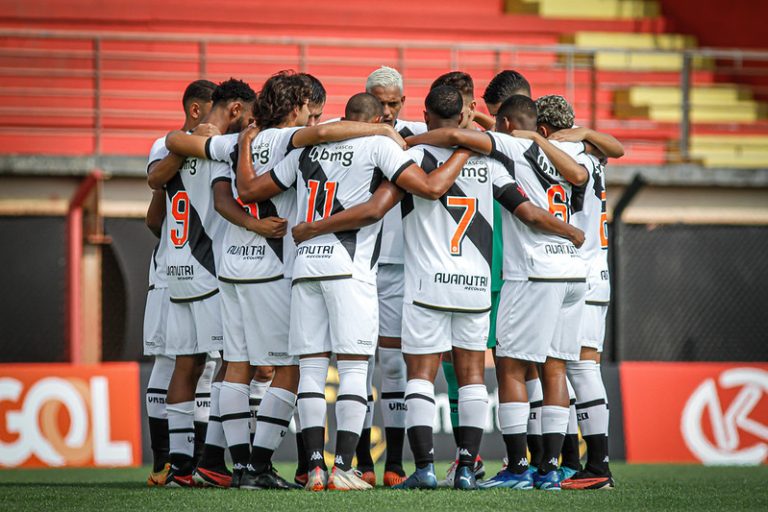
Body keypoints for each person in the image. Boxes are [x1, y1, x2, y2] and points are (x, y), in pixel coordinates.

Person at [292, 86, 584, 491]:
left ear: (426, 115)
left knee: (421, 377)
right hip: (475, 285)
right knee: (472, 379)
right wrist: (569, 230)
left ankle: (425, 467)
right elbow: (526, 209)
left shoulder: (413, 156)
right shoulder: (490, 161)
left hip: (427, 284)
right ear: (461, 117)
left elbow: (384, 201)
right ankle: (466, 467)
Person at [165, 71, 406, 489]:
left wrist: (235, 142)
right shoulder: (289, 140)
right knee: (292, 369)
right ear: (297, 108)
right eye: (312, 112)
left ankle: (233, 465)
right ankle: (259, 465)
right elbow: (327, 135)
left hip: (231, 266)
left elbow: (179, 146)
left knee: (236, 366)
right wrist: (381, 130)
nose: (316, 122)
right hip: (275, 266)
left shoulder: (238, 140)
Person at [236, 92, 472, 491]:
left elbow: (250, 191)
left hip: (305, 266)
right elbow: (428, 188)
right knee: (353, 368)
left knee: (311, 368)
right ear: (380, 118)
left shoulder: (307, 149)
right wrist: (465, 146)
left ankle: (313, 466)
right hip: (349, 267)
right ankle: (343, 467)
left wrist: (244, 145)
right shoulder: (380, 143)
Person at [406, 94, 589, 490]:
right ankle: (550, 470)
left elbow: (460, 138)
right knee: (554, 367)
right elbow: (581, 176)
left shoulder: (505, 146)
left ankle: (518, 467)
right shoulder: (564, 152)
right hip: (573, 272)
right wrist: (573, 232)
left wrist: (412, 141)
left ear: (505, 124)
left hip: (533, 271)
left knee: (508, 366)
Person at [148, 78, 257, 487]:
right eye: (245, 117)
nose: (248, 124)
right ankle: (211, 460)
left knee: (186, 364)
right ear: (233, 110)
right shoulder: (226, 148)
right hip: (209, 267)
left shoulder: (166, 143)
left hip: (173, 270)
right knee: (231, 363)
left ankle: (179, 467)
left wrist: (182, 142)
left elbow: (155, 180)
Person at [536, 95, 620, 490]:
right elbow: (617, 149)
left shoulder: (567, 153)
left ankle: (599, 465)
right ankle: (586, 463)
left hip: (582, 272)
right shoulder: (593, 153)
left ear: (545, 129)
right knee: (578, 367)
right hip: (596, 271)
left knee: (581, 368)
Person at [143, 79, 216, 486]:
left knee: (201, 366)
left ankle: (193, 461)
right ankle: (162, 463)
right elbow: (156, 197)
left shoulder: (216, 150)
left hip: (198, 268)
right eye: (214, 109)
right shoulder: (164, 145)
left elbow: (155, 217)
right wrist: (185, 143)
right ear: (195, 110)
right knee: (169, 360)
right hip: (170, 272)